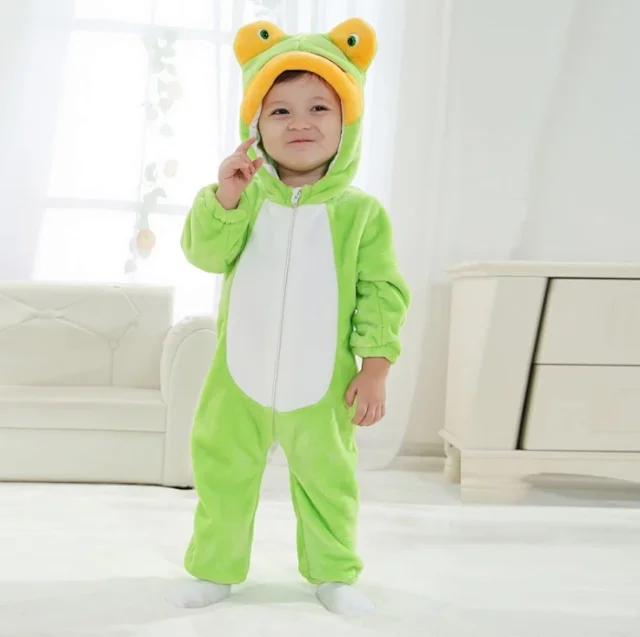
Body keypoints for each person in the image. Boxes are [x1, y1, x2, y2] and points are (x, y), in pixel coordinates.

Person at [168, 17, 410, 617]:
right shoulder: (241, 197)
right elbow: (204, 253)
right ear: (254, 126)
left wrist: (375, 367)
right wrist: (225, 196)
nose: (300, 122)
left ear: (347, 121)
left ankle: (334, 574)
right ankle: (215, 568)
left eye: (319, 107)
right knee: (222, 473)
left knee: (329, 481)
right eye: (280, 111)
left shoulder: (361, 214)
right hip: (238, 378)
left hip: (322, 382)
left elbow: (381, 293)